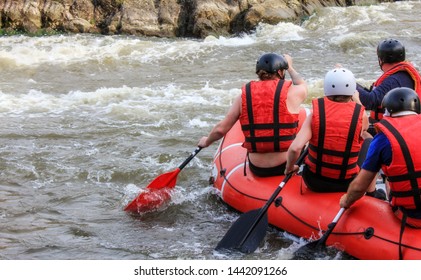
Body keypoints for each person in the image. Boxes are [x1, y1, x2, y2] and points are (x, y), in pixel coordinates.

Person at [198, 53, 308, 177]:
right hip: (284, 165)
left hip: (257, 168)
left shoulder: (243, 96)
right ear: (280, 73)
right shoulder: (292, 93)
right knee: (308, 135)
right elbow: (301, 84)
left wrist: (206, 141)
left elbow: (221, 129)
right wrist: (290, 67)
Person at [285, 67, 380, 196]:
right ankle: (371, 192)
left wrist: (290, 168)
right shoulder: (361, 114)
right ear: (352, 91)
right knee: (369, 140)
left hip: (313, 181)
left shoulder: (315, 114)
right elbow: (364, 126)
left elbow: (295, 148)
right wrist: (357, 100)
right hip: (347, 183)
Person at [340, 87, 421, 230]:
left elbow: (359, 187)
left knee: (392, 170)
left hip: (411, 216)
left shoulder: (383, 139)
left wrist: (346, 201)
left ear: (388, 112)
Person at [354, 38, 421, 135]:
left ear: (381, 60)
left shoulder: (394, 80)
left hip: (393, 129)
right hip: (403, 126)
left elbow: (369, 102)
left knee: (355, 130)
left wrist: (346, 81)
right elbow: (374, 96)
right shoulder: (401, 76)